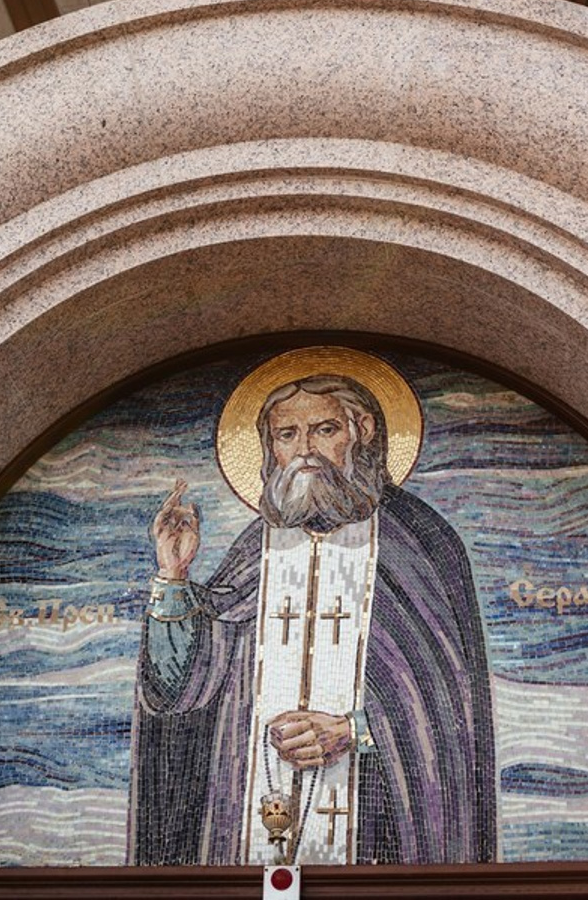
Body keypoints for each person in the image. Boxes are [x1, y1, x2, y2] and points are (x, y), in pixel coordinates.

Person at [129, 365, 496, 866]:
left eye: (324, 429)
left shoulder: (421, 542)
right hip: (244, 828)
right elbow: (182, 694)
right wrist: (174, 577)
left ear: (361, 432)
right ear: (269, 447)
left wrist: (355, 731)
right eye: (287, 434)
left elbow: (449, 711)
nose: (304, 450)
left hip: (380, 831)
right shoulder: (251, 551)